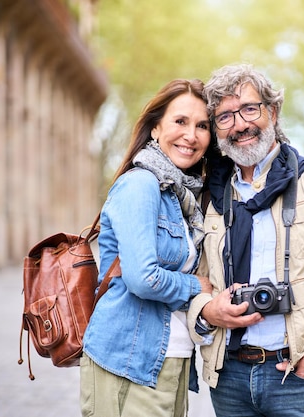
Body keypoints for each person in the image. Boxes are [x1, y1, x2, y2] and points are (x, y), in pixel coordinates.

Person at [187, 64, 304, 417]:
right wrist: (207, 310)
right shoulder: (209, 198)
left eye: (249, 108)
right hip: (229, 380)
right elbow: (195, 282)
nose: (240, 124)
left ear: (272, 111)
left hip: (303, 380)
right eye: (225, 117)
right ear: (216, 130)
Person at [80, 79, 215, 417]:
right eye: (180, 122)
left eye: (202, 126)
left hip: (171, 358)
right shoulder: (141, 186)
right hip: (129, 359)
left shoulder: (181, 196)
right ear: (156, 128)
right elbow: (143, 278)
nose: (191, 135)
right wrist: (196, 286)